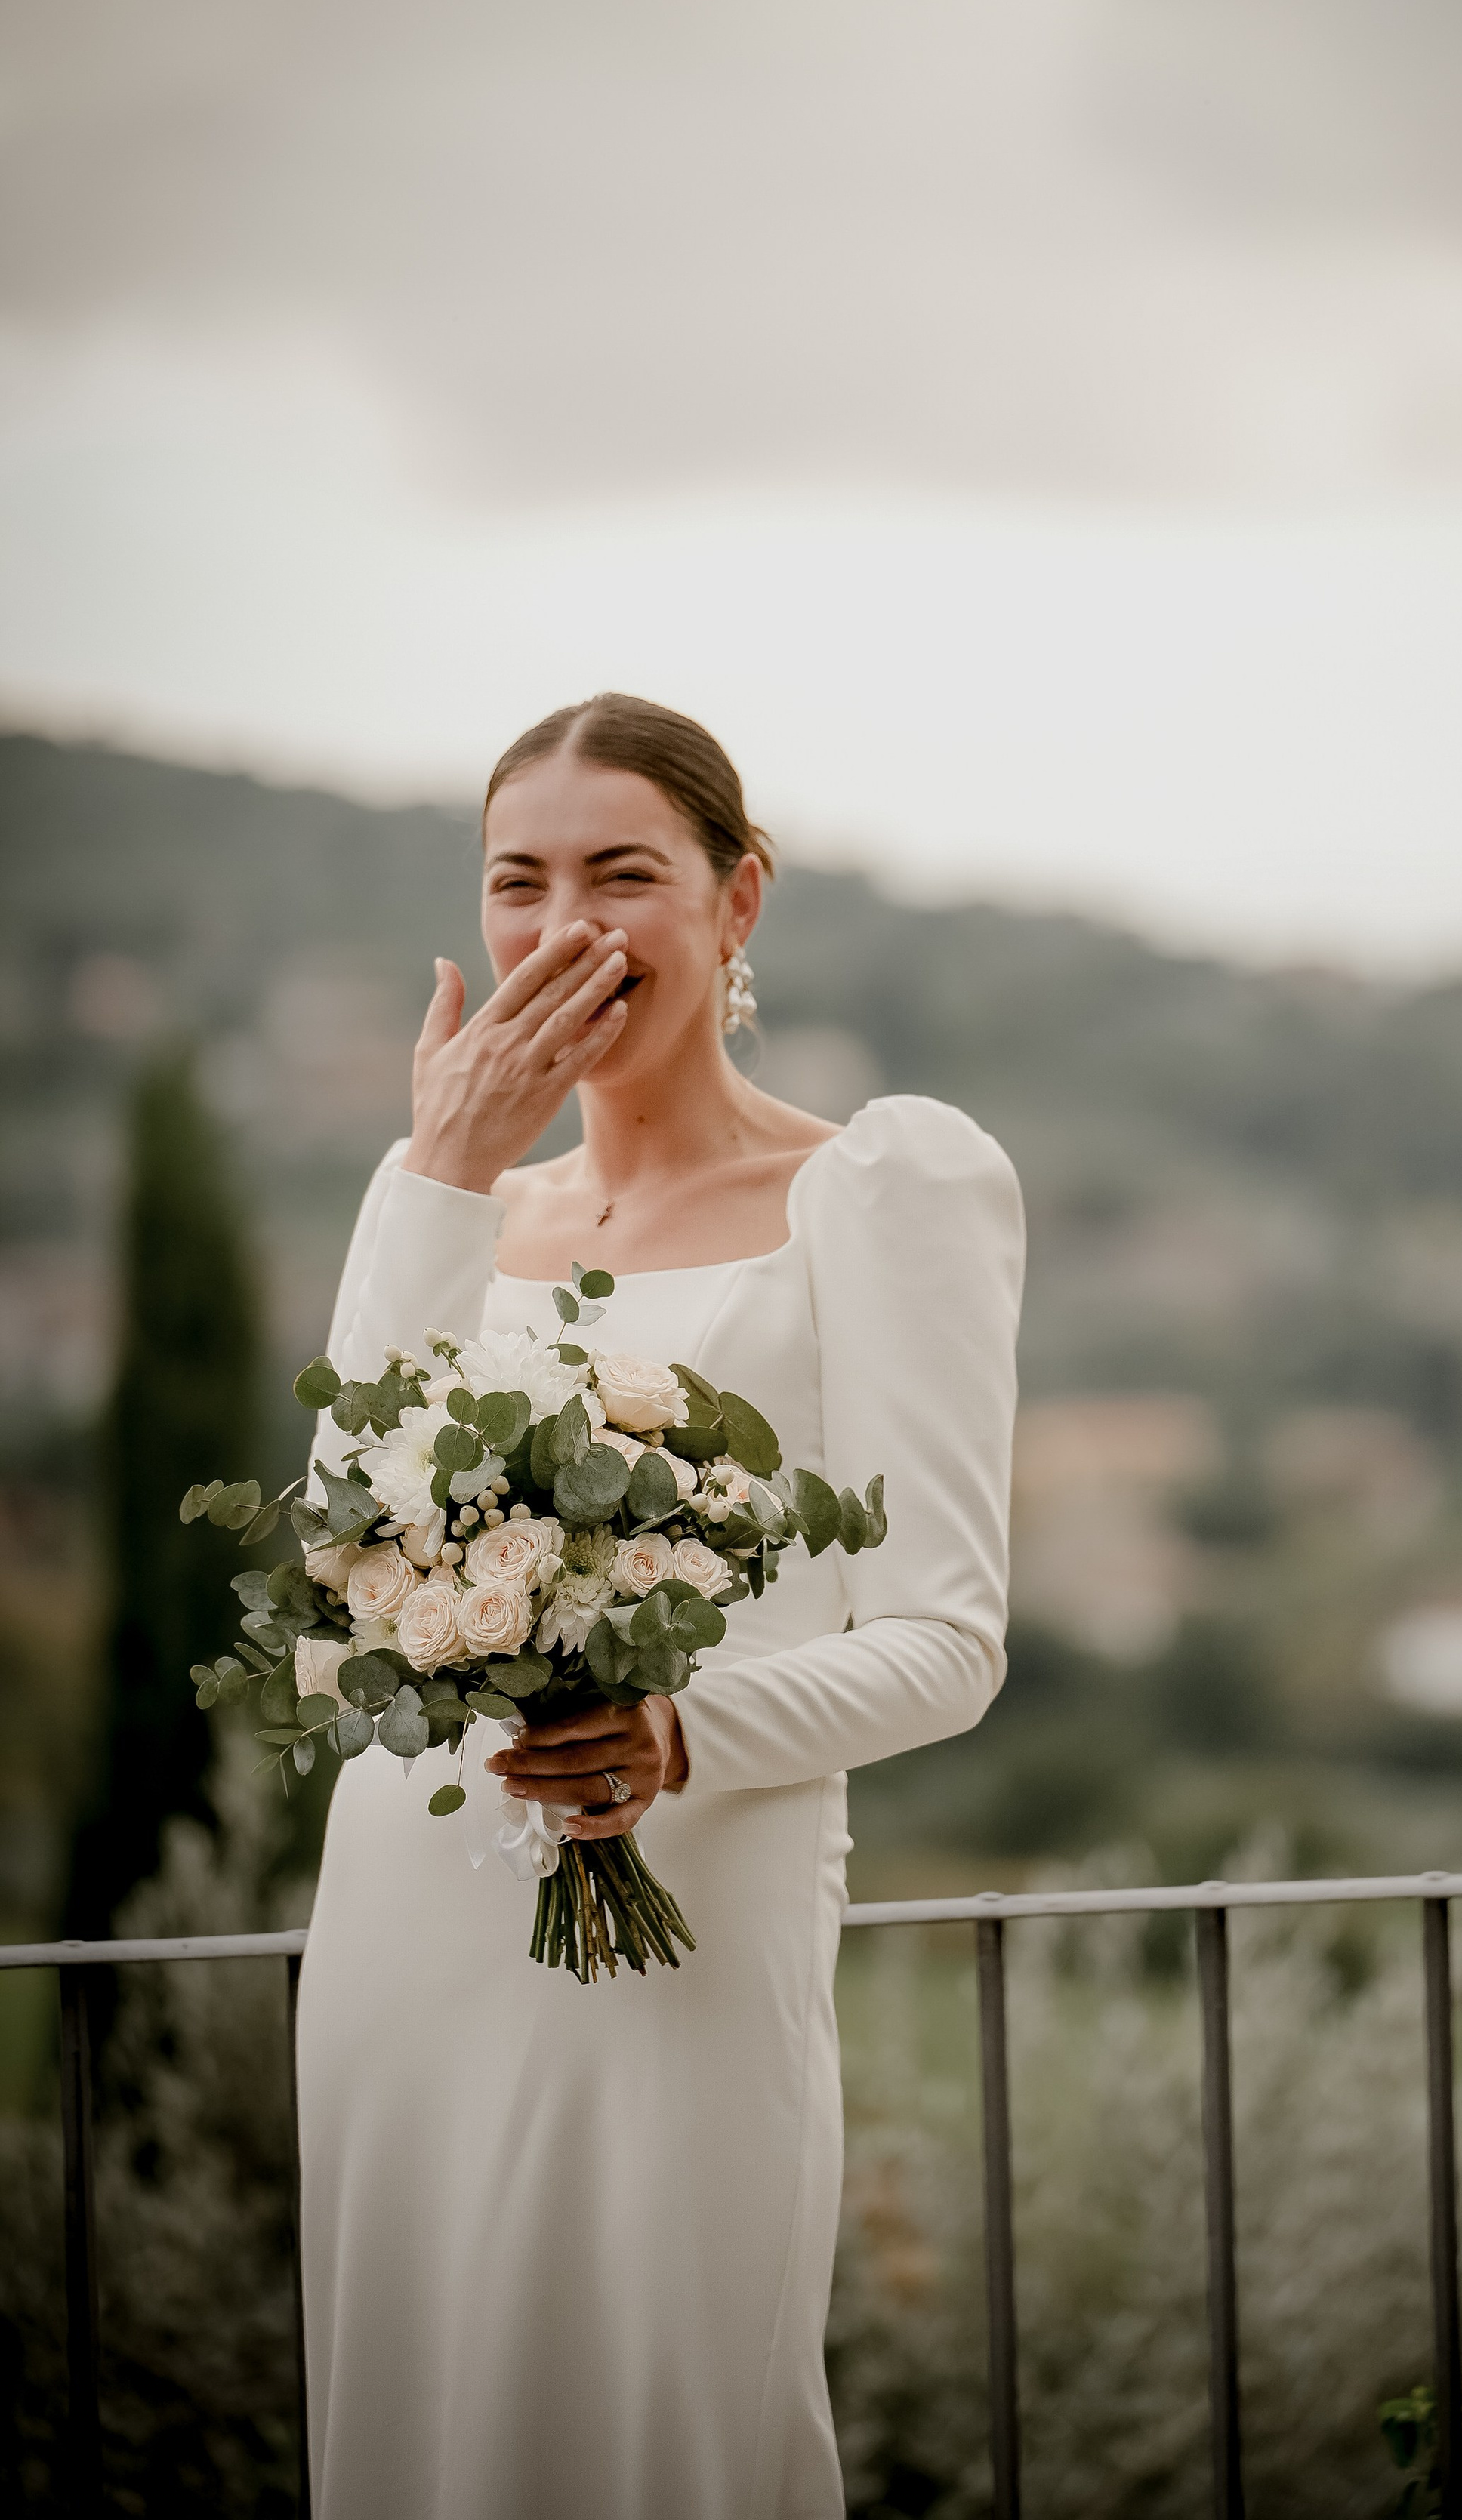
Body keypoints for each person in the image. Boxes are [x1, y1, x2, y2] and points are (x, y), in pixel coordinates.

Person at [295, 694, 1023, 2520]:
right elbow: (330, 1565)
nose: (564, 927)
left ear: (737, 899)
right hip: (406, 1909)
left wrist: (681, 1731)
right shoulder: (464, 1212)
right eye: (517, 882)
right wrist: (437, 1168)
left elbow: (948, 1638)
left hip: (687, 1910)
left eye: (623, 873)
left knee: (668, 2413)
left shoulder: (871, 1191)